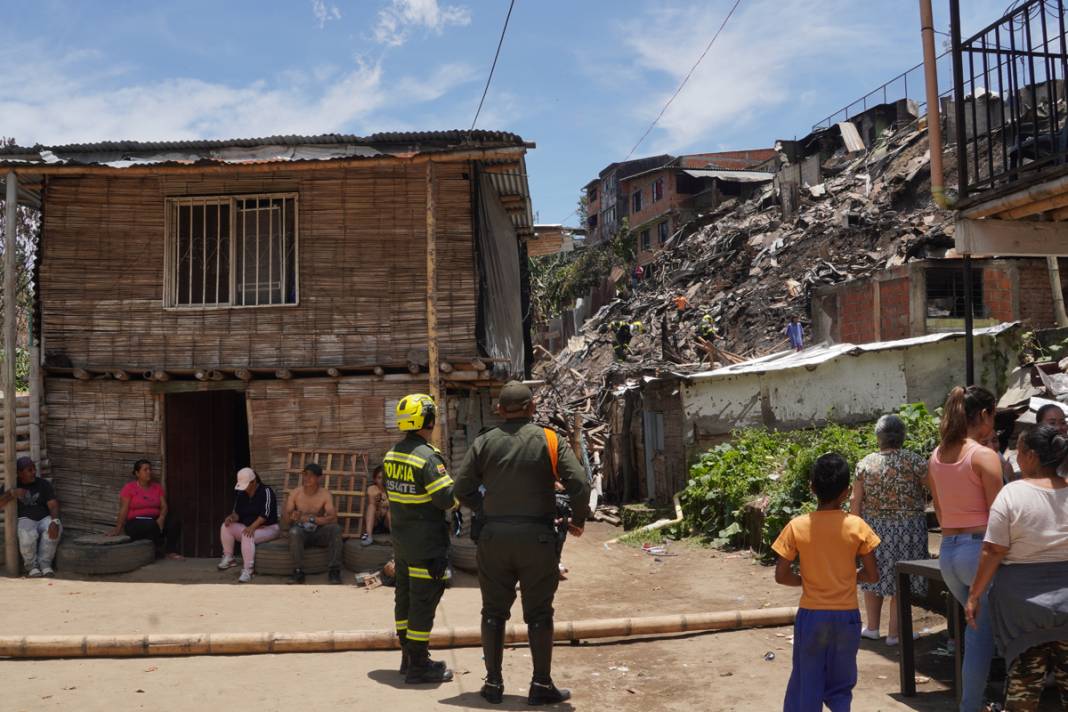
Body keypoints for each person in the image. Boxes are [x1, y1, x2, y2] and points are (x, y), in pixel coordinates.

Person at [453, 381, 591, 706]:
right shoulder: (550, 439)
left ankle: (493, 684)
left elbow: (461, 489)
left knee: (493, 612)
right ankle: (541, 684)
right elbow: (581, 485)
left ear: (500, 410)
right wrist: (578, 521)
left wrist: (485, 508)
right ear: (532, 408)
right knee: (539, 613)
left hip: (493, 539)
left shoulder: (484, 442)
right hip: (537, 539)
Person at [965, 425, 1068, 711]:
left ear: (1032, 456)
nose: (1015, 457)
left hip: (1023, 614)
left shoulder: (1013, 494)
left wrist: (974, 595)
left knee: (1023, 690)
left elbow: (993, 549)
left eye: (1019, 451)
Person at [772, 453, 880, 712]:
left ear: (811, 487)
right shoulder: (858, 526)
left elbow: (781, 575)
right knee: (841, 687)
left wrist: (808, 580)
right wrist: (848, 576)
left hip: (812, 617)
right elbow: (873, 575)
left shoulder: (797, 526)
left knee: (807, 683)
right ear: (846, 492)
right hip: (847, 619)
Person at [927, 385, 1004, 712]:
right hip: (978, 552)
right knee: (981, 640)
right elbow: (1001, 517)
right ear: (984, 415)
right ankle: (971, 706)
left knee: (981, 634)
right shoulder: (984, 456)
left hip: (950, 555)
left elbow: (942, 514)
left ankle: (987, 700)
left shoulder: (936, 455)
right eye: (994, 417)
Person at [385, 393, 457, 684]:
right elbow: (445, 499)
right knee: (423, 602)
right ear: (428, 419)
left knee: (403, 598)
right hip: (426, 544)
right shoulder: (427, 457)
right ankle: (419, 665)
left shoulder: (392, 454)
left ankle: (407, 656)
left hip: (402, 544)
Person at [849, 415, 929, 646]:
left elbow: (856, 500)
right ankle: (896, 634)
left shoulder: (865, 464)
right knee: (901, 577)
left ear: (878, 437)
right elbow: (935, 489)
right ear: (902, 436)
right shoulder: (915, 462)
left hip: (874, 528)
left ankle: (872, 627)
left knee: (873, 575)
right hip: (909, 528)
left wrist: (854, 532)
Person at [109, 459, 183, 560]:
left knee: (174, 522)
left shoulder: (157, 487)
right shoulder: (129, 488)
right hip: (135, 523)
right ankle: (156, 550)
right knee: (150, 525)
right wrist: (118, 528)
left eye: (150, 469)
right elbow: (123, 509)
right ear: (137, 473)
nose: (149, 472)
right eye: (145, 470)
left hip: (155, 520)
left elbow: (164, 506)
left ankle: (171, 551)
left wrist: (161, 517)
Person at [218, 467, 280, 583]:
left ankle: (248, 570)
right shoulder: (241, 494)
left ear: (254, 482)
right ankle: (229, 558)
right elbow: (237, 513)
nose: (244, 488)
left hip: (269, 528)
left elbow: (265, 515)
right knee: (226, 527)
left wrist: (253, 527)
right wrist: (231, 518)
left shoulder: (266, 491)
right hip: (249, 527)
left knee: (247, 534)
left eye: (246, 485)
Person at [283, 462, 342, 585]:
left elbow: (333, 519)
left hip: (319, 531)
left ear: (319, 478)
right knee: (294, 531)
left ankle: (334, 571)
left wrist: (311, 519)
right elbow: (287, 520)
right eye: (305, 475)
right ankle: (298, 572)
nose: (307, 478)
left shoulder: (325, 494)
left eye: (311, 475)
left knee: (335, 529)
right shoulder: (295, 493)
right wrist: (292, 516)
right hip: (301, 532)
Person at [12, 457, 61, 577]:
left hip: (44, 518)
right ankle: (32, 567)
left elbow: (53, 505)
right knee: (26, 534)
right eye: (29, 470)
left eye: (34, 469)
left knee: (55, 529)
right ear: (19, 473)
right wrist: (11, 494)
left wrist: (54, 521)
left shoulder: (43, 484)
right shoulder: (13, 485)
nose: (34, 472)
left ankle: (45, 565)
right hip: (25, 519)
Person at [361, 465, 391, 546]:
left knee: (390, 511)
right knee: (371, 507)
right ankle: (369, 536)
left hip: (387, 522)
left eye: (384, 478)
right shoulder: (372, 489)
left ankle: (395, 537)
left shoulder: (392, 489)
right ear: (375, 479)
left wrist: (388, 503)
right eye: (379, 478)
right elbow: (373, 504)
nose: (382, 480)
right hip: (375, 521)